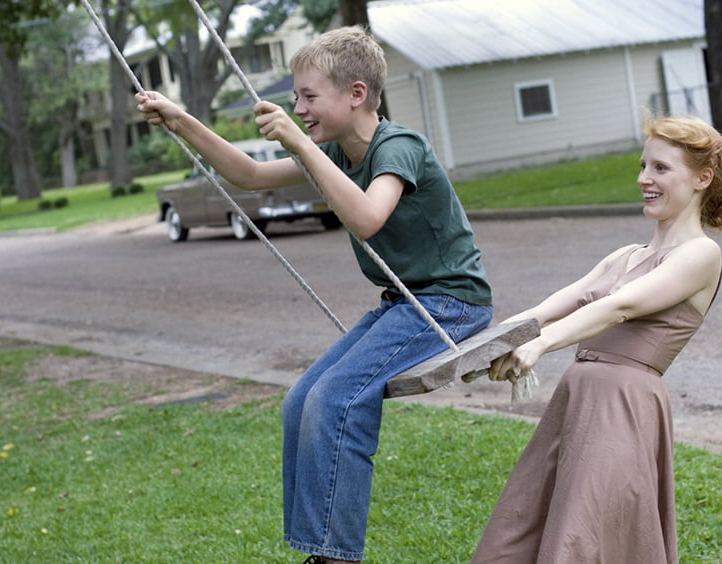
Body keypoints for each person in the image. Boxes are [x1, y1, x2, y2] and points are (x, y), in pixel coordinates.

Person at [136, 26, 493, 564]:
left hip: (450, 303)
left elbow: (367, 217)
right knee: (301, 400)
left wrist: (302, 144)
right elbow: (250, 175)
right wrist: (181, 120)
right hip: (404, 305)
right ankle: (319, 551)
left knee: (336, 400)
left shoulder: (399, 147)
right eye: (296, 98)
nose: (298, 108)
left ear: (356, 94)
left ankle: (336, 557)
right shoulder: (335, 152)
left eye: (308, 96)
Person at [470, 115, 722, 564]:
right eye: (643, 166)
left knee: (587, 535)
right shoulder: (625, 256)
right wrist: (489, 342)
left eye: (660, 168)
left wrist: (539, 345)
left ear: (702, 178)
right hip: (577, 401)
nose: (644, 178)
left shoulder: (701, 254)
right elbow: (553, 305)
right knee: (522, 529)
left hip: (622, 408)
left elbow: (620, 307)